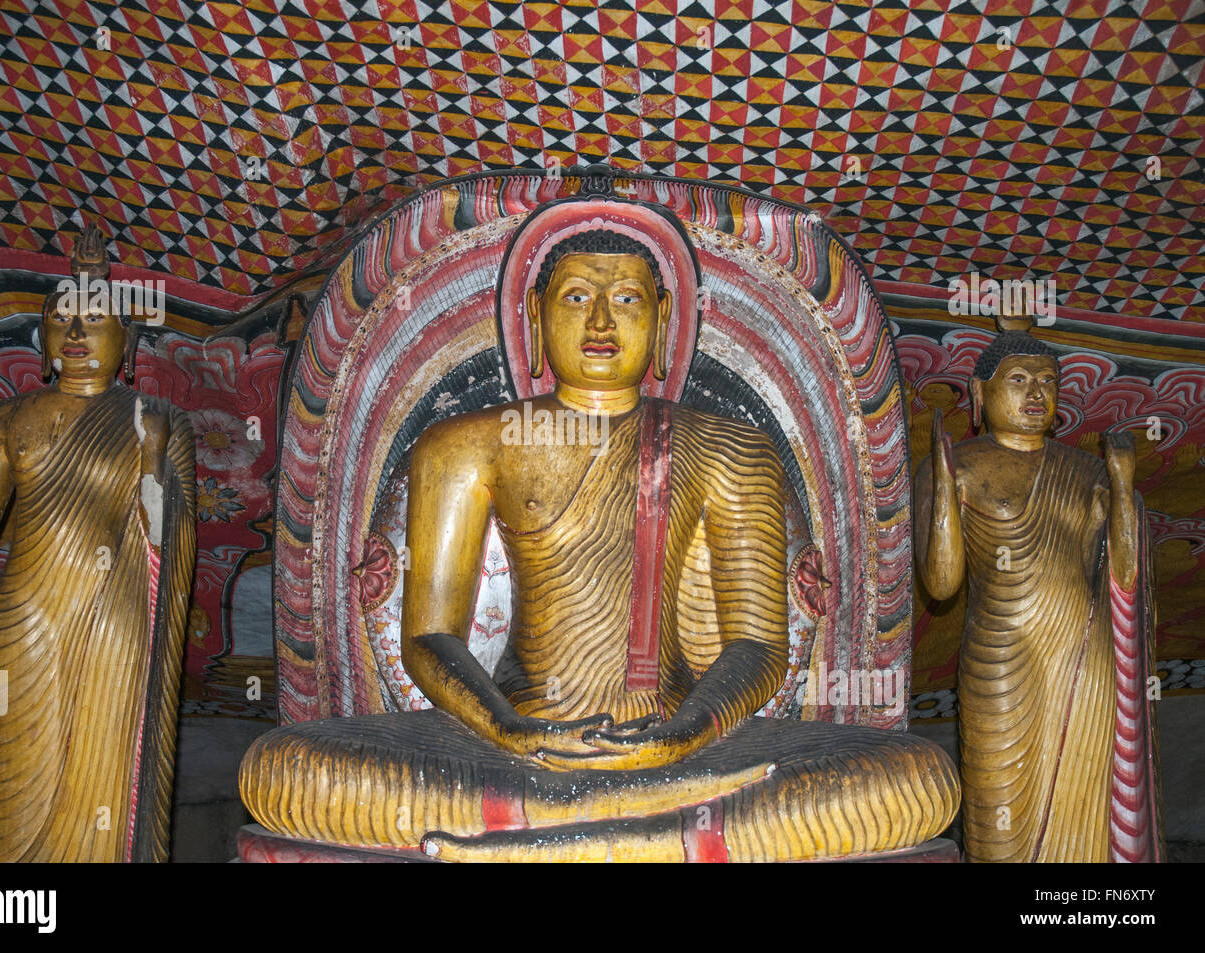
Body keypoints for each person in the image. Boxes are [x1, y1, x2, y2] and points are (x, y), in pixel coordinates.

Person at [239, 201, 959, 862]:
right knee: (284, 769)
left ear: (668, 315)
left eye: (626, 299)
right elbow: (430, 637)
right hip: (506, 743)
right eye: (577, 297)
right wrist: (510, 731)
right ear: (533, 313)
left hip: (685, 746)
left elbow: (757, 646)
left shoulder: (732, 449)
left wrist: (686, 732)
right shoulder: (465, 445)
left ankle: (540, 834)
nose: (602, 326)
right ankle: (644, 831)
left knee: (916, 780)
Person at [0, 224, 196, 862]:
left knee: (102, 773)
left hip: (114, 628)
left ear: (128, 342)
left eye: (95, 321)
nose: (77, 335)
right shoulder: (9, 418)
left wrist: (153, 457)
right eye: (62, 322)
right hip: (25, 626)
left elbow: (166, 537)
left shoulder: (157, 422)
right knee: (11, 794)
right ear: (43, 338)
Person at [914, 330, 1161, 862]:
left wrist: (1121, 489)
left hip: (1088, 665)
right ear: (980, 395)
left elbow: (1125, 576)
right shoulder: (959, 464)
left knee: (1090, 811)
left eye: (1048, 383)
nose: (1035, 394)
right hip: (1002, 662)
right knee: (999, 816)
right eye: (1019, 381)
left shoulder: (1090, 471)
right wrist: (943, 483)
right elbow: (941, 584)